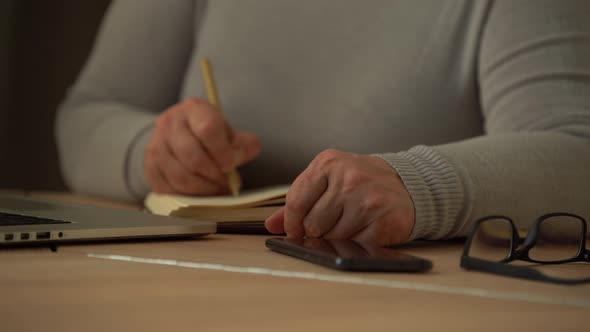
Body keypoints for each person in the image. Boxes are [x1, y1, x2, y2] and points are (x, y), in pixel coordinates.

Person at [56, 0, 590, 246]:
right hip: (181, 288)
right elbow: (87, 114)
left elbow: (575, 152)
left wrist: (418, 185)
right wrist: (150, 151)